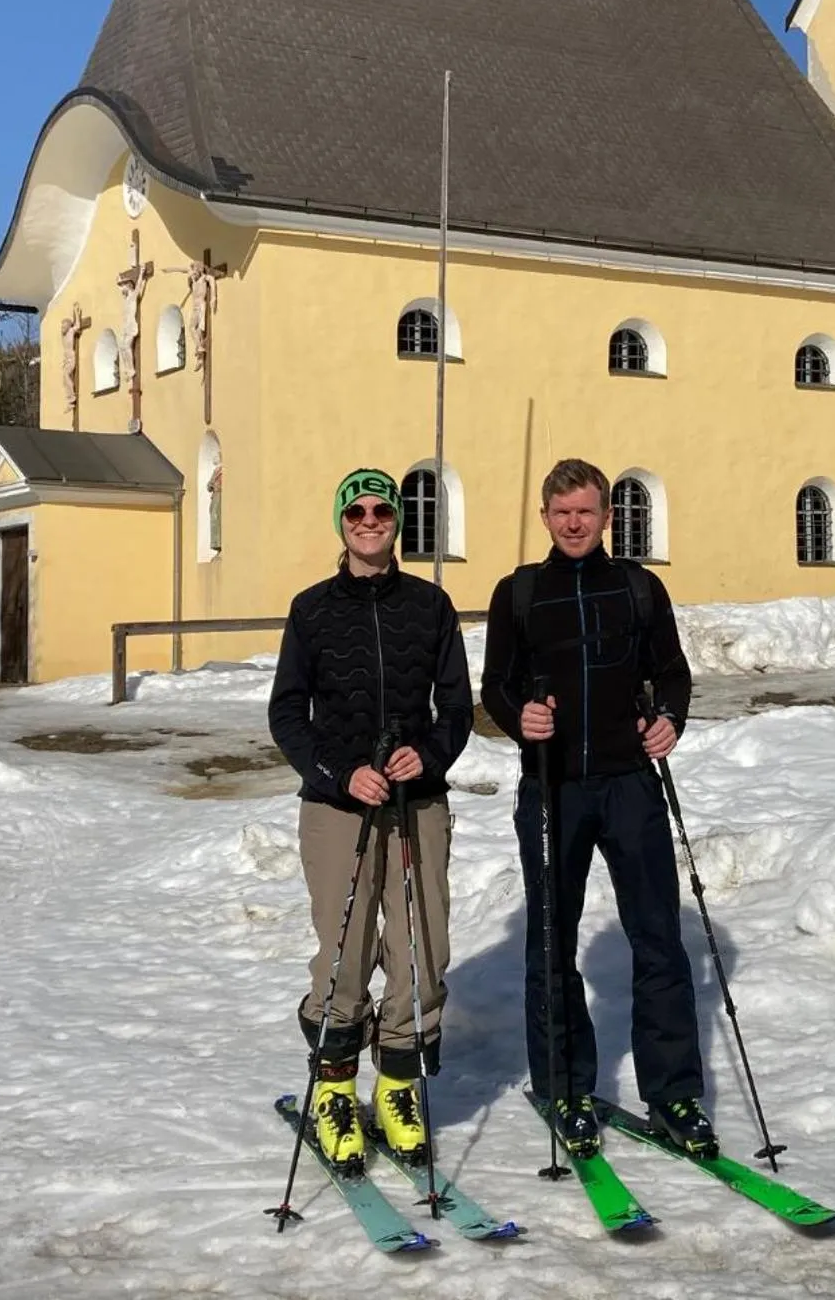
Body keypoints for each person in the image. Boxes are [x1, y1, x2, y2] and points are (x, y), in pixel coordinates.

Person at [479, 458, 716, 1161]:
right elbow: (496, 684)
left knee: (659, 939)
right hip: (553, 788)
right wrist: (519, 717)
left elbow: (672, 672)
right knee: (551, 941)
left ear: (607, 516)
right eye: (561, 513)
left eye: (585, 511)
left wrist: (670, 718)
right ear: (545, 518)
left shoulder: (638, 588)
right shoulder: (520, 593)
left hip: (629, 785)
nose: (574, 524)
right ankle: (565, 1088)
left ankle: (673, 1094)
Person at [267, 467, 473, 1173]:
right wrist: (337, 772)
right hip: (338, 806)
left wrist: (430, 755)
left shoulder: (430, 605)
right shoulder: (312, 609)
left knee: (421, 949)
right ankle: (333, 1089)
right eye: (355, 512)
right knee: (345, 950)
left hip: (417, 804)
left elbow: (456, 706)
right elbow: (287, 713)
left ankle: (396, 1087)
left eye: (380, 510)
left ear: (396, 522)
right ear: (341, 522)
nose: (369, 521)